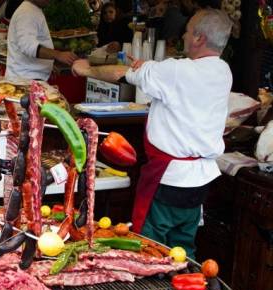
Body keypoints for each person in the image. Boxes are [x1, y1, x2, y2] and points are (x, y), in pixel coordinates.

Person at [72, 8, 232, 258]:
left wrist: (84, 69)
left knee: (150, 247)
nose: (184, 37)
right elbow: (174, 80)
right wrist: (150, 67)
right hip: (200, 180)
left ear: (199, 38)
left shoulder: (177, 71)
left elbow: (118, 73)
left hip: (169, 179)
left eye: (188, 31)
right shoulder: (223, 71)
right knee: (183, 248)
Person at [5, 0, 78, 81]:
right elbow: (29, 46)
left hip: (28, 77)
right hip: (25, 80)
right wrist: (58, 55)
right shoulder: (27, 13)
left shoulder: (32, 10)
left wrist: (45, 66)